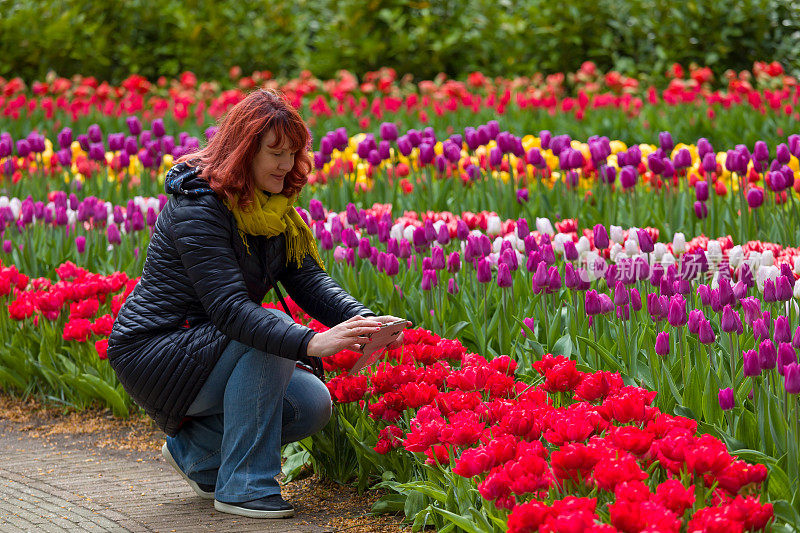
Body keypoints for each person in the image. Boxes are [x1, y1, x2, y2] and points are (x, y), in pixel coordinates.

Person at [107, 89, 408, 519]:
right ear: (245, 151)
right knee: (268, 336)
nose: (287, 165)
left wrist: (362, 322)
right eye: (275, 153)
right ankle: (245, 485)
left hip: (209, 349)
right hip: (156, 351)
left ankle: (198, 453)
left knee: (310, 404)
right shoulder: (199, 207)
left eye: (294, 152)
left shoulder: (274, 210)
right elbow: (230, 309)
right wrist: (310, 343)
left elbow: (309, 282)